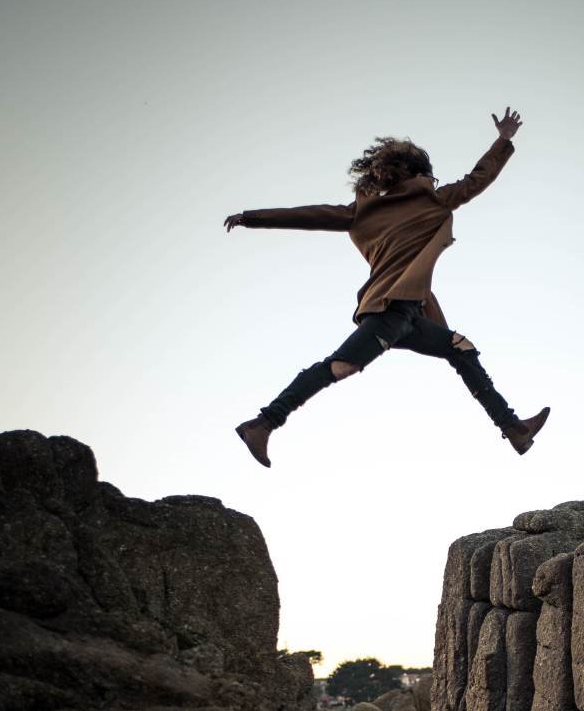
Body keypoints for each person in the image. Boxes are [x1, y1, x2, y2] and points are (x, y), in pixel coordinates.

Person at [224, 107, 549, 467]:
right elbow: (478, 179)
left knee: (461, 348)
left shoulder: (363, 211)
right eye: (430, 173)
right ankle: (264, 423)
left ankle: (513, 428)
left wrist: (252, 217)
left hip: (410, 313)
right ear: (420, 174)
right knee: (341, 366)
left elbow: (308, 214)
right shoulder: (432, 200)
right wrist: (503, 140)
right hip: (389, 310)